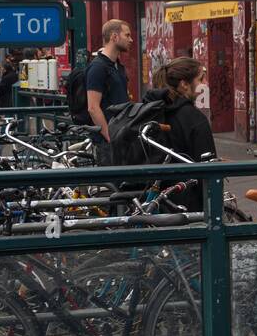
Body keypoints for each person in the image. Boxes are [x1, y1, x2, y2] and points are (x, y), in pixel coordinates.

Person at [143, 58, 217, 213]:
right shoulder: (195, 119)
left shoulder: (152, 111)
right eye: (200, 79)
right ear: (184, 84)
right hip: (188, 205)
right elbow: (209, 169)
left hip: (155, 201)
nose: (205, 84)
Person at [82, 20, 133, 164]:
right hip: (109, 142)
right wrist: (109, 136)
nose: (131, 39)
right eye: (127, 35)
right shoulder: (98, 67)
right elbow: (93, 107)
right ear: (114, 37)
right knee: (111, 184)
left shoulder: (117, 66)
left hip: (121, 135)